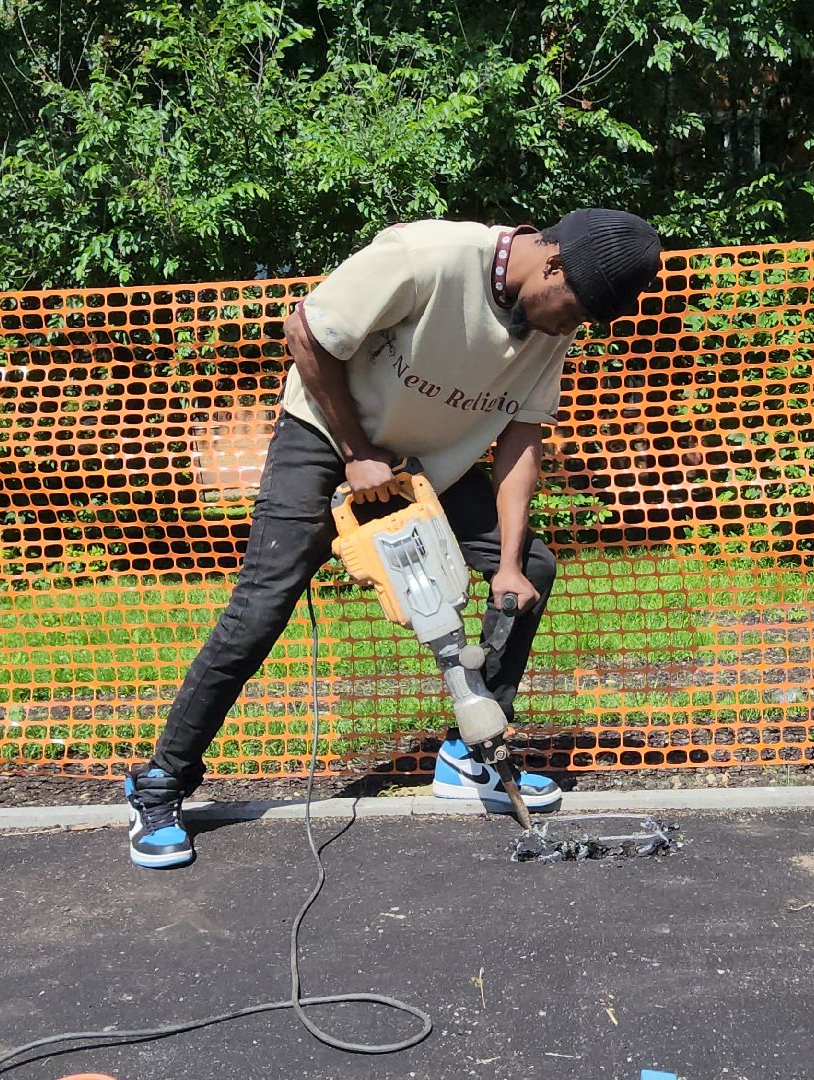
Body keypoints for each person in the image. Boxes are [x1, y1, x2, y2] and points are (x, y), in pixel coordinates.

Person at [125, 209, 663, 868]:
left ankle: (468, 759)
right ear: (552, 264)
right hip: (326, 435)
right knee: (262, 607)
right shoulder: (429, 257)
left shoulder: (548, 325)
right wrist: (355, 451)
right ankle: (160, 785)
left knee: (531, 572)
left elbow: (522, 436)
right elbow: (307, 332)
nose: (569, 327)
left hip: (429, 462)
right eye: (573, 310)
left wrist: (511, 567)